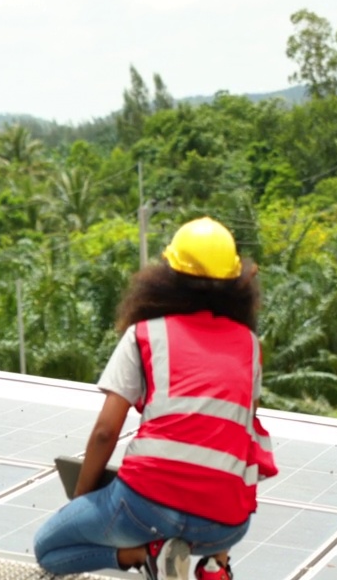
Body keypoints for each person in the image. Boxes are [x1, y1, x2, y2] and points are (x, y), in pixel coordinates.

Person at [33, 217, 278, 580]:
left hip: (145, 505)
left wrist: (83, 499)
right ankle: (214, 565)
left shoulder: (144, 334)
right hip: (224, 527)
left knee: (49, 549)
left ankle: (142, 553)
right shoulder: (249, 346)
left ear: (167, 276)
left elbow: (105, 431)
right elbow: (243, 441)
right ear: (236, 283)